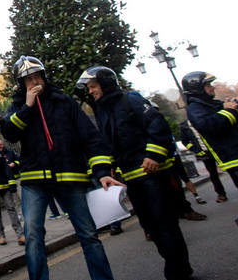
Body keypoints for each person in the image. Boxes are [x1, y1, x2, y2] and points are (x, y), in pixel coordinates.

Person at [0, 56, 119, 280]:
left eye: (36, 76)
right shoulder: (18, 106)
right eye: (27, 79)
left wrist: (102, 172)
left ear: (43, 76)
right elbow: (9, 133)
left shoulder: (63, 101)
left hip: (70, 177)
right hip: (34, 182)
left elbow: (91, 138)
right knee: (33, 236)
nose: (34, 81)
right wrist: (27, 106)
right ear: (21, 84)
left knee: (88, 234)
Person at [78, 66, 194, 279]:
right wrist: (104, 170)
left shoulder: (131, 100)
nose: (91, 91)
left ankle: (178, 271)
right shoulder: (103, 112)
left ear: (105, 84)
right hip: (133, 180)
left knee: (165, 224)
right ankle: (176, 266)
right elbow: (105, 146)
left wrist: (153, 155)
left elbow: (158, 125)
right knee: (151, 226)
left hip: (153, 176)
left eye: (93, 86)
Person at [182, 71, 238, 242]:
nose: (212, 87)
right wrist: (228, 112)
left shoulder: (213, 104)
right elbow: (211, 126)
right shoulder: (196, 108)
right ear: (198, 88)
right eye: (208, 85)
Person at [180, 120, 228, 202]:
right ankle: (221, 194)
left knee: (231, 169)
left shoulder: (203, 120)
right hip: (204, 154)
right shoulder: (184, 126)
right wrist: (196, 150)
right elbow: (185, 141)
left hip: (216, 149)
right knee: (213, 174)